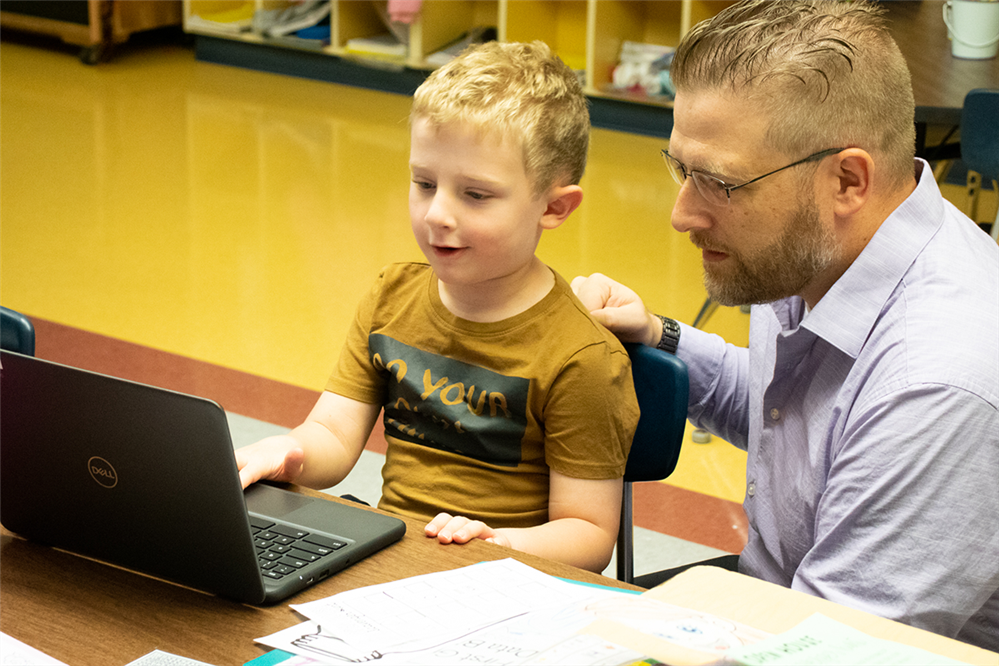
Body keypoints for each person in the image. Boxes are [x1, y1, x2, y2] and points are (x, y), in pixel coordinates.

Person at [572, 0, 998, 650]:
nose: (681, 215)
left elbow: (829, 651)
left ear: (846, 180)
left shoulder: (937, 382)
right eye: (681, 169)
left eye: (717, 182)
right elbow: (807, 422)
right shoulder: (815, 247)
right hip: (776, 606)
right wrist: (661, 336)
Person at [236, 41, 639, 574]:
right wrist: (288, 453)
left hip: (505, 581)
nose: (437, 215)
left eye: (475, 195)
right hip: (390, 560)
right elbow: (333, 435)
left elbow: (588, 535)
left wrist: (498, 542)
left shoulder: (582, 357)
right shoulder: (391, 296)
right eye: (424, 184)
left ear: (554, 206)